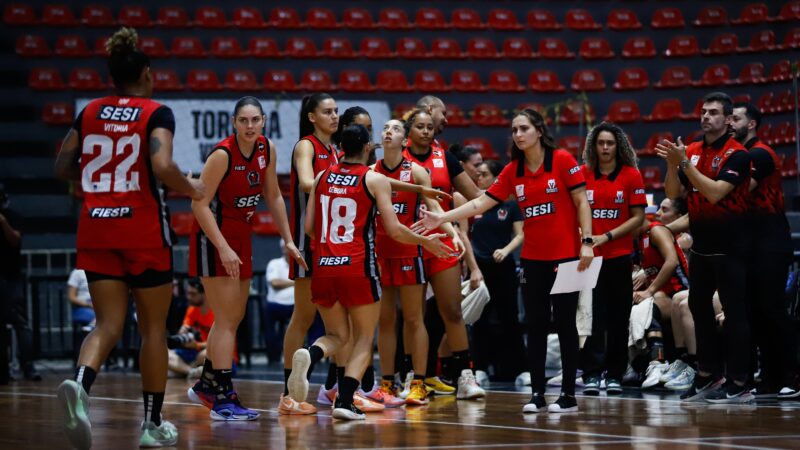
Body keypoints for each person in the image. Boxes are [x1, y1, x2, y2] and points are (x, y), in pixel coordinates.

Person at [54, 27, 204, 448]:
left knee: (107, 324)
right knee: (153, 330)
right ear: (147, 74)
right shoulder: (155, 112)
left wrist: (95, 183)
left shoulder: (89, 113)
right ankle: (152, 425)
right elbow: (161, 164)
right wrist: (189, 187)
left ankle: (81, 388)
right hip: (141, 229)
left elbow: (63, 164)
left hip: (96, 227)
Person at [416, 108, 594, 413]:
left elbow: (581, 201)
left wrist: (587, 242)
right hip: (532, 260)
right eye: (514, 130)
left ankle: (568, 396)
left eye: (523, 128)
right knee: (536, 326)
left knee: (565, 324)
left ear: (539, 130)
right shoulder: (513, 170)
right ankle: (538, 394)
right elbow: (480, 201)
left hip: (567, 256)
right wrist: (442, 217)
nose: (518, 134)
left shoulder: (562, 159)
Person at [283, 124, 451, 420]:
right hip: (358, 266)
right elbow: (396, 230)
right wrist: (426, 241)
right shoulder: (374, 180)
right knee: (363, 337)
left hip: (323, 267)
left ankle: (310, 355)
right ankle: (345, 402)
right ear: (366, 148)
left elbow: (309, 229)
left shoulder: (322, 177)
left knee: (336, 335)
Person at [187, 96, 306, 421]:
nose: (250, 126)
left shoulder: (267, 148)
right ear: (235, 123)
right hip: (214, 236)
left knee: (233, 318)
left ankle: (207, 384)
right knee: (225, 320)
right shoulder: (223, 154)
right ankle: (223, 397)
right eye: (244, 121)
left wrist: (288, 239)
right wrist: (223, 247)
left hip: (241, 233)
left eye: (255, 120)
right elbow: (199, 205)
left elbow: (272, 195)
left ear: (264, 121)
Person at [657, 92, 754, 403]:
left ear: (727, 120)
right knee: (699, 311)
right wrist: (674, 167)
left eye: (713, 112)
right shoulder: (694, 150)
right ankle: (708, 375)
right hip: (702, 248)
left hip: (732, 247)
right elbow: (674, 193)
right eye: (703, 111)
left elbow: (714, 193)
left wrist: (684, 162)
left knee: (735, 315)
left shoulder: (738, 154)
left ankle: (740, 381)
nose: (705, 117)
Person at [373, 118, 461, 406]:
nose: (389, 132)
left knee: (414, 319)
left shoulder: (418, 172)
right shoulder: (371, 171)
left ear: (404, 140)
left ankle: (419, 383)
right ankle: (387, 383)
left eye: (395, 129)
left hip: (410, 252)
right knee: (386, 321)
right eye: (385, 128)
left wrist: (452, 233)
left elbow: (434, 207)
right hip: (381, 253)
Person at [403, 108, 485, 399]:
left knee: (451, 310)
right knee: (413, 316)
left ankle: (465, 376)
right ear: (408, 130)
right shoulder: (397, 159)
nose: (426, 131)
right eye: (420, 126)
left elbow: (475, 195)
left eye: (429, 127)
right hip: (409, 241)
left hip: (443, 239)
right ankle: (413, 378)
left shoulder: (446, 158)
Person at [730, 102, 799, 399]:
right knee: (755, 312)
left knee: (772, 310)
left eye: (736, 118)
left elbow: (737, 193)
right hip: (750, 244)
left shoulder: (760, 154)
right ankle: (770, 377)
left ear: (752, 124)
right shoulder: (738, 155)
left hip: (771, 241)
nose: (731, 123)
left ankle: (791, 376)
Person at [282, 93, 341, 410]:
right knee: (303, 317)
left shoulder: (334, 149)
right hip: (309, 243)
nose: (334, 116)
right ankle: (288, 393)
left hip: (332, 243)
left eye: (336, 111)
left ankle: (339, 387)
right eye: (327, 112)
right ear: (311, 117)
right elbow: (306, 182)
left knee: (335, 318)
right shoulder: (306, 146)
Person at [578, 122, 646, 396]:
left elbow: (639, 218)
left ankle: (615, 373)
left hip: (619, 256)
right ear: (593, 146)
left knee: (618, 317)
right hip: (588, 258)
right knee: (590, 316)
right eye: (600, 143)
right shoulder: (582, 174)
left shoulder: (631, 175)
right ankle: (592, 373)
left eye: (610, 143)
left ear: (619, 146)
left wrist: (605, 236)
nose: (605, 148)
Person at [467, 160, 526, 382]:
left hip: (504, 268)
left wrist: (506, 249)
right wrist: (471, 266)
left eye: (483, 174)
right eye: (478, 174)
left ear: (495, 178)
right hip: (479, 270)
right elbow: (465, 234)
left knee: (510, 318)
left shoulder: (510, 205)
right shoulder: (474, 204)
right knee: (479, 319)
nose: (479, 178)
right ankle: (480, 368)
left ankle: (521, 370)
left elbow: (521, 234)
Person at [633, 198, 691, 389]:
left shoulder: (657, 231)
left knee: (649, 306)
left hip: (681, 291)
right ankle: (631, 366)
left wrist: (649, 290)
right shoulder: (640, 239)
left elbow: (672, 262)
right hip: (665, 294)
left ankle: (657, 363)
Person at [0, 183, 40, 383]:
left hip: (12, 276)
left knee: (21, 323)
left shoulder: (13, 215)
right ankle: (3, 372)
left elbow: (15, 240)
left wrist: (2, 222)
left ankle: (29, 367)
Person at [166, 279, 234, 378]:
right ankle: (192, 371)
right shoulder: (192, 310)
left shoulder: (218, 312)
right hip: (194, 352)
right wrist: (183, 333)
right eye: (188, 293)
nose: (188, 297)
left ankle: (183, 370)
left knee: (207, 354)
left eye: (193, 294)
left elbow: (221, 343)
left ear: (205, 293)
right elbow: (185, 327)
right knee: (164, 353)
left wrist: (196, 345)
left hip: (218, 354)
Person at [264, 240, 295, 365]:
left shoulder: (300, 264)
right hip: (275, 304)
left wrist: (287, 282)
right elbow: (275, 283)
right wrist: (295, 282)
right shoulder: (274, 263)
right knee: (269, 326)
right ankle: (273, 355)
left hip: (295, 305)